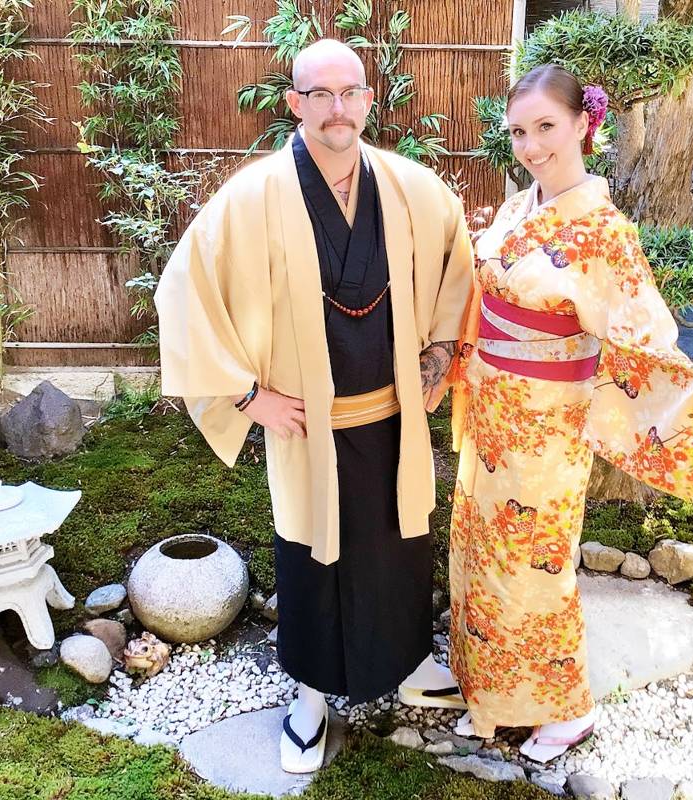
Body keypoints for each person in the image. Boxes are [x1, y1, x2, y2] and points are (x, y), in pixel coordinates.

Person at [154, 38, 474, 774]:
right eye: (320, 94)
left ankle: (407, 665)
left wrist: (439, 354)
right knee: (311, 559)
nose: (337, 109)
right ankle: (309, 697)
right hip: (306, 429)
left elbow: (456, 267)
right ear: (294, 103)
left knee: (400, 545)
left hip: (393, 417)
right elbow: (185, 291)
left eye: (349, 92)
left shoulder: (412, 188)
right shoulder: (253, 196)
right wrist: (246, 395)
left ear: (368, 99)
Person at [445, 64, 693, 763]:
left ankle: (567, 709)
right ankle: (494, 698)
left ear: (584, 123)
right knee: (480, 553)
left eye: (545, 127)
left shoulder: (604, 232)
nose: (531, 146)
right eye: (518, 132)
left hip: (547, 427)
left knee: (534, 567)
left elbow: (645, 339)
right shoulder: (518, 208)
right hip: (493, 415)